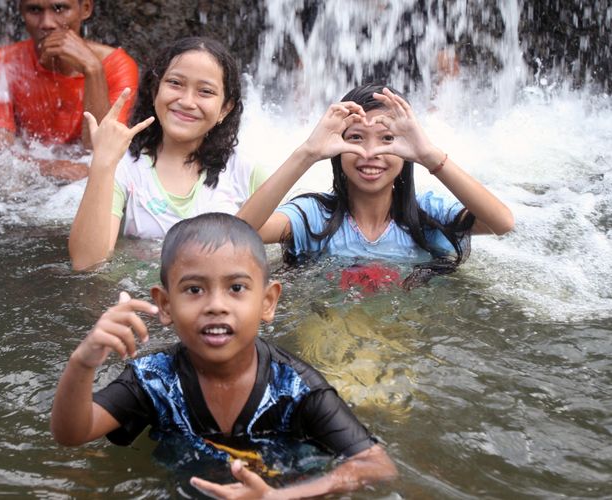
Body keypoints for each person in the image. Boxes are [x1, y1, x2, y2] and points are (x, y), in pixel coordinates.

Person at [51, 213, 398, 498]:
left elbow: (377, 465)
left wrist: (278, 497)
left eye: (236, 288)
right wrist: (84, 360)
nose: (216, 305)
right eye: (194, 289)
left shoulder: (294, 387)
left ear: (267, 301)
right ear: (165, 305)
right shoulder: (154, 380)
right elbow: (73, 432)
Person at [237, 83, 514, 285]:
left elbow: (501, 222)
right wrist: (307, 153)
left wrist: (429, 155)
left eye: (387, 139)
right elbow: (237, 234)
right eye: (356, 137)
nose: (370, 153)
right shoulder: (314, 216)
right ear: (337, 148)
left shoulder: (426, 216)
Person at [68, 36, 267, 271]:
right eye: (175, 83)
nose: (186, 101)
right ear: (155, 91)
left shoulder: (244, 171)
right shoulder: (125, 167)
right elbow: (87, 263)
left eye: (205, 91)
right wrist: (102, 163)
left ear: (225, 108)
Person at [0, 0, 138, 181]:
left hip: (85, 182)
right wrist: (51, 166)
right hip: (29, 179)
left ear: (85, 9)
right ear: (21, 12)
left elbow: (102, 149)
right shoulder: (1, 62)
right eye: (34, 10)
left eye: (59, 8)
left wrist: (93, 70)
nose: (47, 23)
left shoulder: (117, 66)